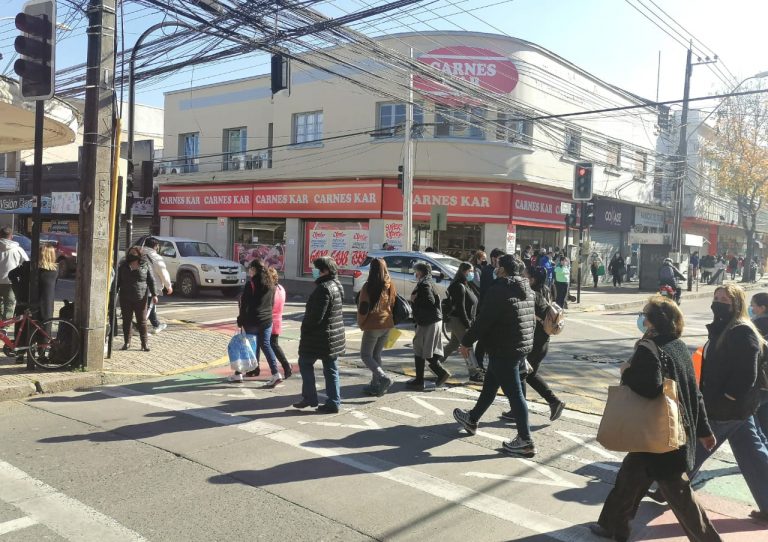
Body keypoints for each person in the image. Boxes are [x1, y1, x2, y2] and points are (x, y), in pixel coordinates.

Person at [590, 296, 721, 542]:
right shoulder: (678, 346)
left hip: (659, 434)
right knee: (629, 480)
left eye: (644, 314)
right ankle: (612, 526)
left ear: (652, 321)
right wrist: (703, 430)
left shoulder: (648, 348)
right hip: (672, 429)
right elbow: (694, 392)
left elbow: (650, 387)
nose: (642, 318)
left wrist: (627, 372)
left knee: (679, 495)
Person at [650, 284, 768, 523]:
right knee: (752, 455)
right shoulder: (725, 328)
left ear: (736, 304)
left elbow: (748, 374)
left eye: (724, 299)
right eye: (716, 298)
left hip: (726, 408)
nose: (718, 302)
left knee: (695, 447)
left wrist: (727, 398)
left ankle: (669, 489)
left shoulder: (741, 331)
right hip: (737, 410)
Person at [453, 255, 538, 458]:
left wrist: (465, 342)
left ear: (504, 270)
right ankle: (472, 418)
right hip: (517, 347)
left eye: (498, 266)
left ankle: (525, 441)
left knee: (515, 395)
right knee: (490, 386)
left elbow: (484, 321)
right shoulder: (527, 290)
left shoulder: (499, 290)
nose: (495, 269)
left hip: (504, 349)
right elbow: (530, 322)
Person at [293, 257, 346, 414]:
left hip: (319, 337)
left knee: (304, 363)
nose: (313, 271)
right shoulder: (337, 285)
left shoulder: (324, 288)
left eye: (316, 268)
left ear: (325, 270)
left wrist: (305, 329)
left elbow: (316, 317)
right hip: (333, 336)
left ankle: (310, 397)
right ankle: (334, 401)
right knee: (331, 368)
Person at [234, 259, 282, 386]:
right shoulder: (271, 283)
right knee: (266, 345)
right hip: (266, 320)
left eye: (250, 268)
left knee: (247, 346)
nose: (249, 271)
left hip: (252, 321)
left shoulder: (251, 284)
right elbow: (271, 303)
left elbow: (244, 305)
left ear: (254, 269)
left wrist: (240, 320)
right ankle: (276, 373)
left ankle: (239, 373)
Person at [356, 258, 396, 396]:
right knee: (376, 354)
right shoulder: (390, 285)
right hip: (387, 323)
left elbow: (363, 309)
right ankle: (375, 384)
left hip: (373, 325)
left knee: (366, 355)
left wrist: (361, 323)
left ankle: (383, 377)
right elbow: (393, 302)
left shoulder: (368, 286)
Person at [407, 261, 449, 390]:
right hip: (431, 320)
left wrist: (414, 300)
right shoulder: (428, 281)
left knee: (422, 349)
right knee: (422, 349)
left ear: (421, 272)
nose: (415, 273)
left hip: (428, 321)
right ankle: (421, 379)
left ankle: (438, 374)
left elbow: (429, 302)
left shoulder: (424, 284)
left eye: (416, 271)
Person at [247, 267, 293, 380]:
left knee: (267, 344)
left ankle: (285, 366)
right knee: (269, 344)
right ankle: (256, 368)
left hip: (268, 321)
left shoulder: (271, 290)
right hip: (276, 321)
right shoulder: (281, 288)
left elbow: (267, 306)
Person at [443, 262, 482, 383]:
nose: (472, 274)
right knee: (468, 346)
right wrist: (467, 324)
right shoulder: (458, 286)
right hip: (459, 320)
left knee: (453, 344)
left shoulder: (467, 284)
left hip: (462, 320)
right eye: (470, 271)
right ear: (464, 271)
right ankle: (474, 374)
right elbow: (460, 308)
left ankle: (435, 363)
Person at [117, 247, 157, 351]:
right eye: (130, 253)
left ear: (139, 254)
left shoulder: (145, 265)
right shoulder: (123, 265)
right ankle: (127, 343)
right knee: (126, 321)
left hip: (140, 297)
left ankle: (144, 344)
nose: (132, 255)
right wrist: (113, 292)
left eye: (134, 253)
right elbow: (118, 281)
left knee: (142, 322)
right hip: (125, 297)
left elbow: (151, 281)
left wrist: (154, 294)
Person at [474, 248, 504, 371]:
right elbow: (487, 290)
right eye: (500, 258)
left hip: (497, 311)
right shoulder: (487, 271)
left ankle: (489, 366)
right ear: (493, 258)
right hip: (486, 309)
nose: (501, 261)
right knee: (483, 339)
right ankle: (478, 364)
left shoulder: (500, 271)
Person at [141, 238, 172, 334]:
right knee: (149, 307)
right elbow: (163, 272)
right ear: (155, 246)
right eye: (158, 246)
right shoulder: (156, 257)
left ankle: (156, 324)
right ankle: (140, 327)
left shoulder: (139, 254)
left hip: (139, 285)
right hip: (152, 286)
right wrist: (168, 286)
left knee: (147, 306)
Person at [750, 292, 768, 444]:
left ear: (762, 308)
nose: (751, 307)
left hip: (761, 379)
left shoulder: (756, 325)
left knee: (754, 419)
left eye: (753, 305)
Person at [0, 227, 29, 321]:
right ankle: (4, 328)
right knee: (9, 304)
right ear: (11, 237)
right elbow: (26, 263)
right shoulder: (18, 249)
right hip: (10, 282)